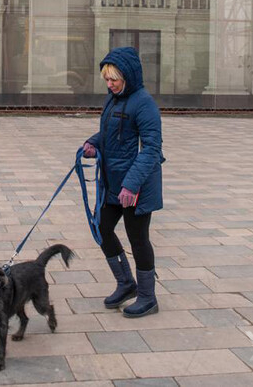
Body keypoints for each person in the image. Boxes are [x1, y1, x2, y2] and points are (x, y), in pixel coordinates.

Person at [82, 47, 164, 318]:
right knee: (102, 228)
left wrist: (132, 185)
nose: (109, 84)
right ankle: (126, 283)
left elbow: (152, 148)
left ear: (127, 76)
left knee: (138, 238)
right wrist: (92, 143)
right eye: (106, 79)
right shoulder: (113, 100)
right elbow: (110, 132)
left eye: (113, 79)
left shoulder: (144, 103)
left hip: (137, 186)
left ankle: (148, 297)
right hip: (114, 182)